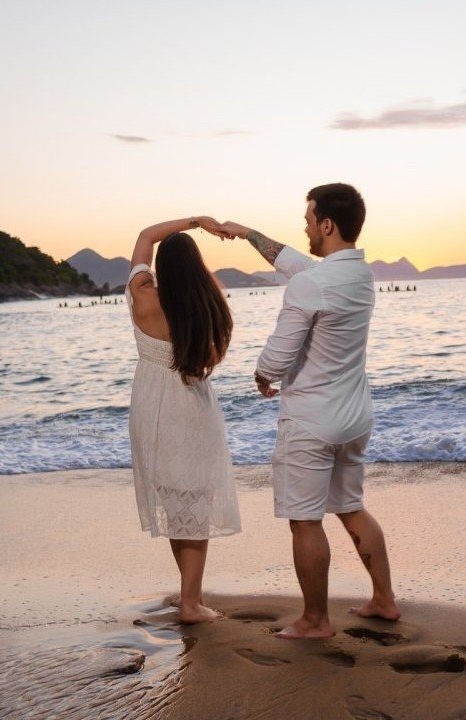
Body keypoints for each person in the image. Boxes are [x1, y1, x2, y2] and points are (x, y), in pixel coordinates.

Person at [220, 183, 400, 639]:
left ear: (327, 224)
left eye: (309, 219)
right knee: (352, 507)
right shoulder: (360, 275)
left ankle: (315, 621)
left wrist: (262, 375)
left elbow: (279, 354)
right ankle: (384, 599)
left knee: (305, 520)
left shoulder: (312, 284)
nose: (304, 227)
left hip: (311, 421)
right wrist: (247, 234)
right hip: (354, 417)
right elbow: (295, 264)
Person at [126, 216, 240, 624]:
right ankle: (191, 602)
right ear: (196, 268)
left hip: (150, 410)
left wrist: (196, 221)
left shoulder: (142, 296)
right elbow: (211, 359)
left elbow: (145, 234)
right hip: (191, 407)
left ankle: (189, 594)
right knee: (195, 504)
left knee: (176, 504)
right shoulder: (204, 308)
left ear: (162, 268)